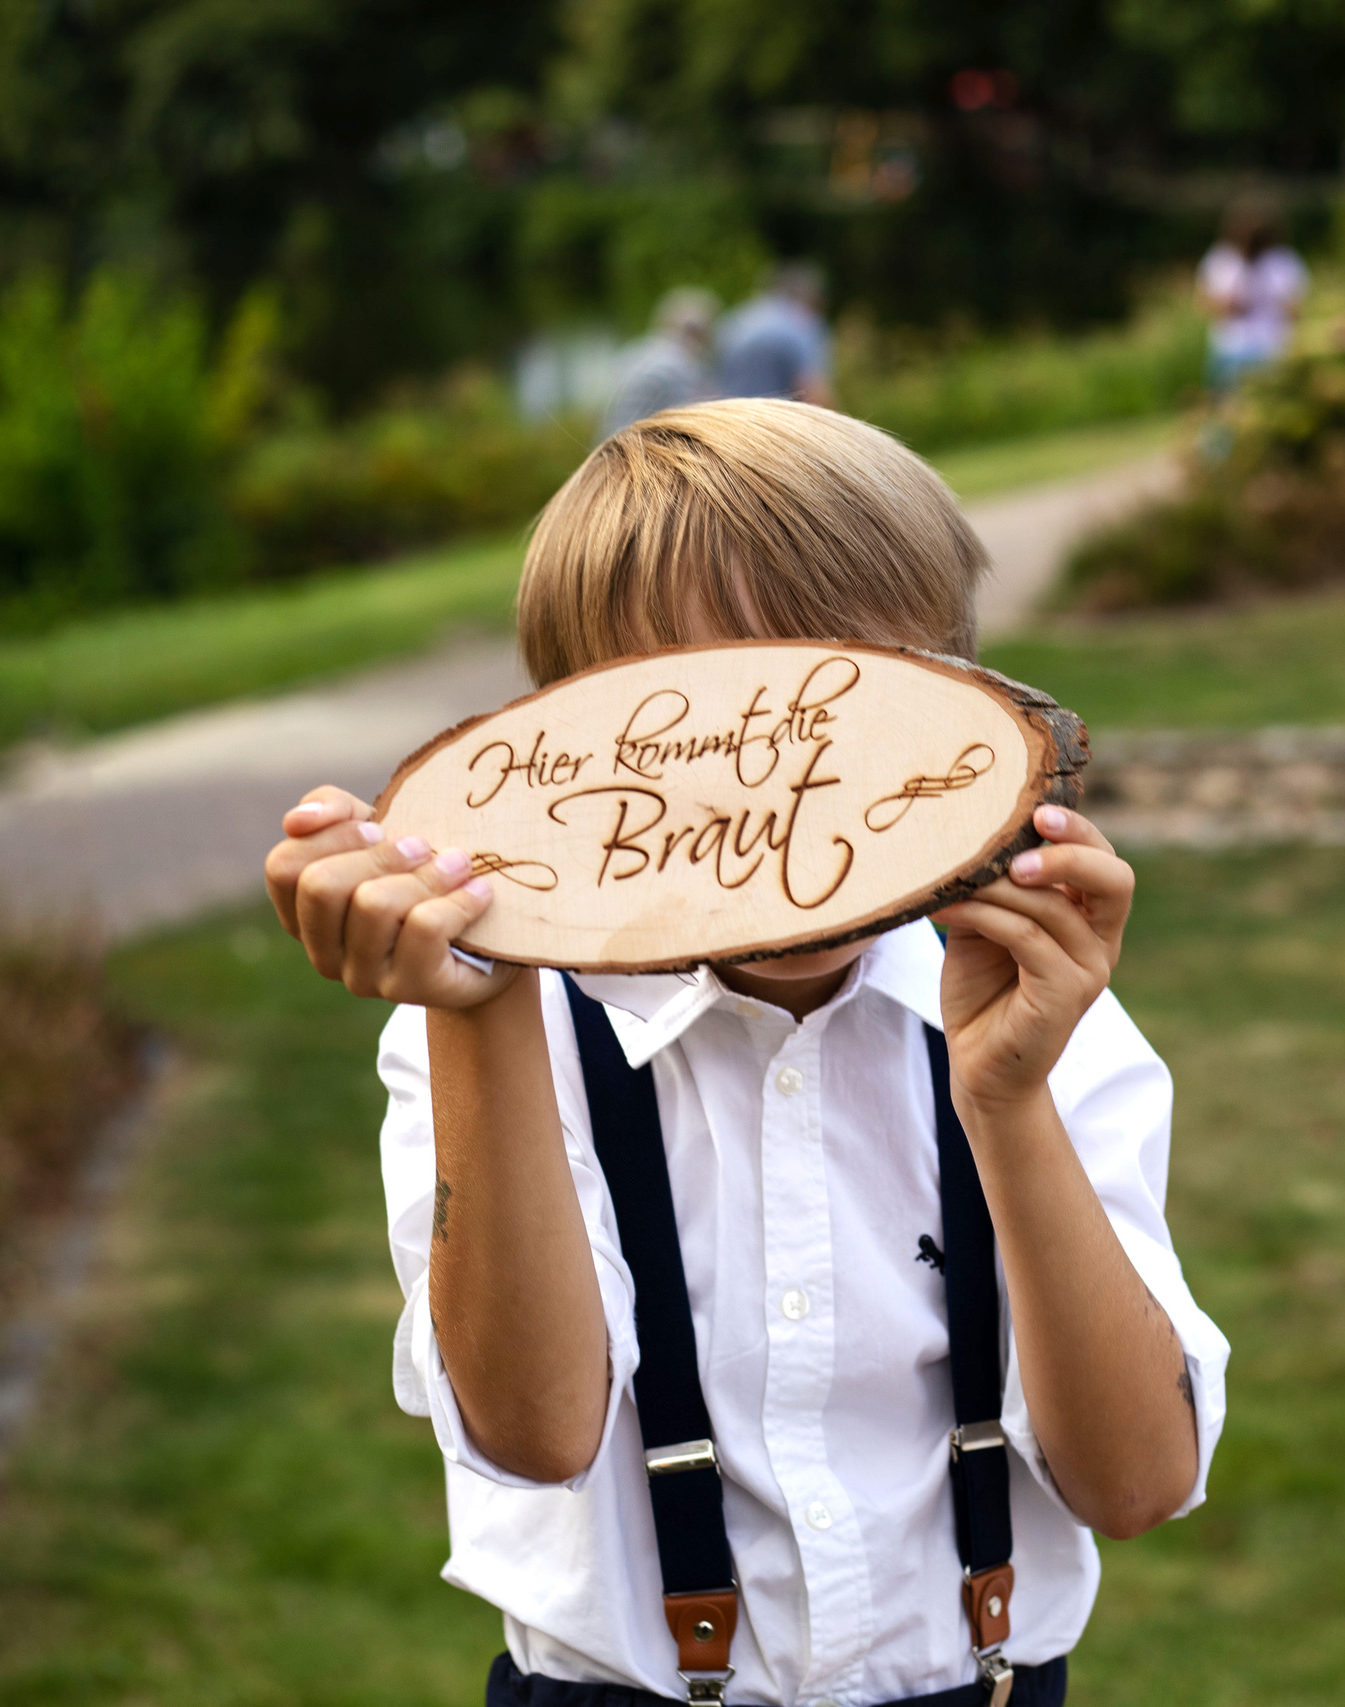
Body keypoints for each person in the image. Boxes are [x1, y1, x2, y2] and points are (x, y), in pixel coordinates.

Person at [262, 400, 1227, 1707]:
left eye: (831, 718)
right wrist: (475, 1013)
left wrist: (1007, 1103)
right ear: (574, 757)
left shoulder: (1040, 1016)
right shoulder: (503, 1020)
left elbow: (1137, 1478)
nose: (777, 802)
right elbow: (536, 1431)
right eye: (708, 740)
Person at [1197, 202, 1309, 396]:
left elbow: (1296, 309)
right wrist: (1228, 305)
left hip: (1272, 348)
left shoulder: (1282, 261)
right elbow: (1204, 300)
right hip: (1230, 347)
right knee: (1224, 406)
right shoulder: (1222, 258)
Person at [604, 288, 722, 437]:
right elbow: (692, 418)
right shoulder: (678, 363)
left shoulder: (633, 351)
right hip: (639, 448)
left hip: (608, 446)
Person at [717, 263, 837, 408]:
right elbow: (813, 391)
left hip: (730, 420)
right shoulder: (801, 323)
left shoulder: (734, 320)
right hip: (777, 425)